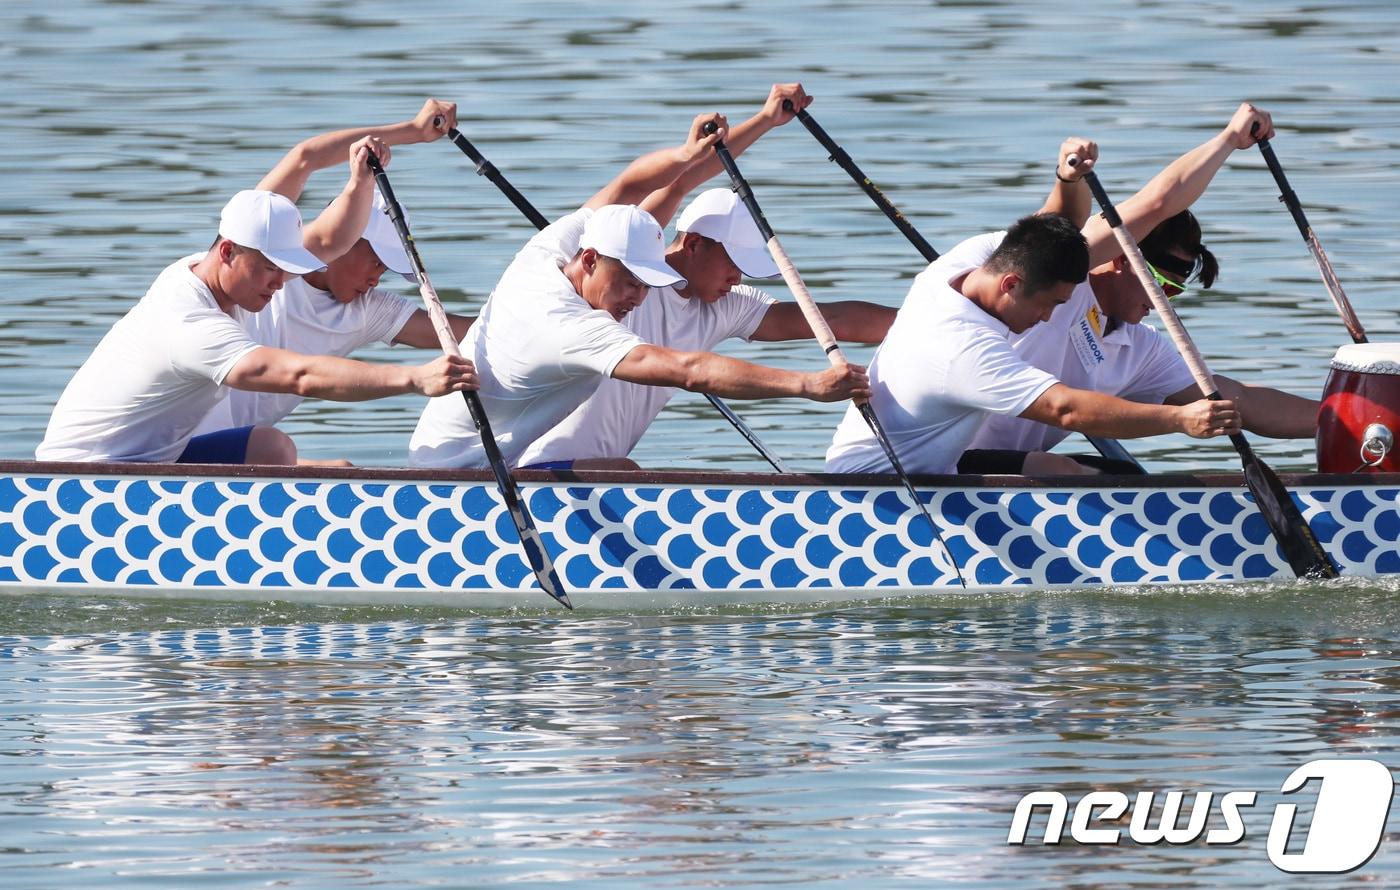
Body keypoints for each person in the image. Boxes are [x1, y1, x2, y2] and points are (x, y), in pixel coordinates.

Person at [409, 111, 871, 470]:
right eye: (630, 282)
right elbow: (688, 370)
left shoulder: (555, 246)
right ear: (590, 261)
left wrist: (692, 151)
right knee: (623, 472)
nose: (637, 298)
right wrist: (807, 384)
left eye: (648, 284)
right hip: (457, 477)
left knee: (620, 469)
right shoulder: (570, 327)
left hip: (479, 456)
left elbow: (632, 184)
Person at [518, 84, 897, 470]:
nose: (737, 278)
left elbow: (831, 320)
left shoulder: (727, 306)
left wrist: (923, 318)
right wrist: (762, 121)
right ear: (695, 244)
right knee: (624, 470)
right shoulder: (624, 266)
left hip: (593, 475)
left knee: (624, 469)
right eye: (732, 262)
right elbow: (678, 181)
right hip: (530, 471)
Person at [37, 135, 476, 465]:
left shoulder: (218, 270)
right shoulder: (189, 321)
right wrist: (413, 379)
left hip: (158, 459)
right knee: (277, 448)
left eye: (285, 269)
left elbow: (330, 239)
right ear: (228, 252)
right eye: (270, 269)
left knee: (270, 446)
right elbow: (299, 375)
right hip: (81, 479)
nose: (281, 283)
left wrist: (365, 173)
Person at [959, 102, 1318, 475]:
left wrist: (1345, 418)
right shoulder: (1055, 279)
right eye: (1161, 286)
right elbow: (1156, 204)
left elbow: (1240, 399)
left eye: (1175, 293)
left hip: (1003, 468)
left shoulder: (1140, 349)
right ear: (1121, 258)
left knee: (1126, 477)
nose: (1163, 303)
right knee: (1062, 471)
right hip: (941, 461)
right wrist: (1228, 139)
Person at [823, 208, 1241, 477]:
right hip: (877, 488)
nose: (1047, 317)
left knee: (1124, 478)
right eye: (1049, 305)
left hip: (937, 471)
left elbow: (1058, 222)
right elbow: (1066, 409)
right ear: (1010, 284)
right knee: (1063, 472)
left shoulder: (1003, 263)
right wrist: (1178, 420)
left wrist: (1069, 176)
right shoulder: (969, 343)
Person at [194, 100, 477, 464]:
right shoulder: (268, 257)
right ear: (346, 239)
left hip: (231, 450)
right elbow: (304, 158)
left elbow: (467, 332)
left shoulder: (368, 310)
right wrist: (412, 131)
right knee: (291, 453)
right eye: (375, 261)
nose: (376, 278)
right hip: (170, 441)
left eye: (386, 269)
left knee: (339, 467)